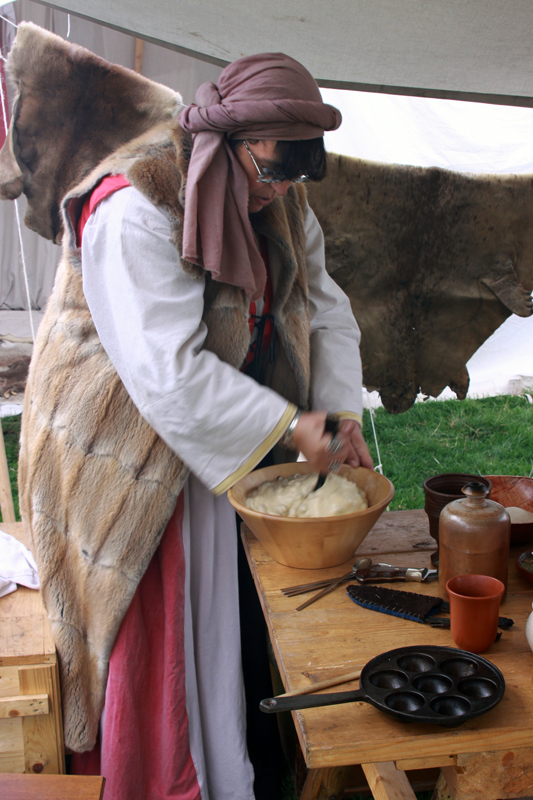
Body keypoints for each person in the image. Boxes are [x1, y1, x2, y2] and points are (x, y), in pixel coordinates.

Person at [17, 42, 372, 800]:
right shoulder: (135, 205)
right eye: (272, 170)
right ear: (230, 140)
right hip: (121, 442)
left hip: (210, 429)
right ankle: (168, 781)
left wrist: (337, 417)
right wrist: (288, 427)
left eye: (298, 174)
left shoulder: (275, 188)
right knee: (165, 622)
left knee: (222, 615)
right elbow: (165, 373)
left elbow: (325, 308)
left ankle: (233, 761)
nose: (281, 192)